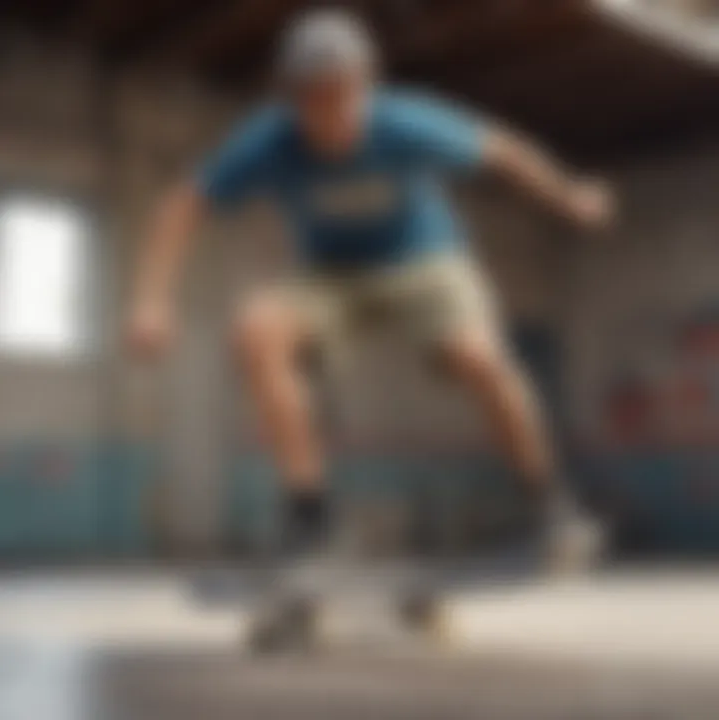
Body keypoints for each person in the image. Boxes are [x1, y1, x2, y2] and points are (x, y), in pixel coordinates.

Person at [128, 10, 613, 588]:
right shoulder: (268, 139)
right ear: (292, 98)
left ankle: (550, 503)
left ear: (367, 85)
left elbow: (503, 150)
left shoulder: (407, 121)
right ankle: (310, 519)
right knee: (257, 330)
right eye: (316, 103)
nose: (334, 119)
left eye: (345, 99)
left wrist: (568, 197)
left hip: (427, 262)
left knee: (478, 357)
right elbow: (181, 206)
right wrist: (151, 301)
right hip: (331, 274)